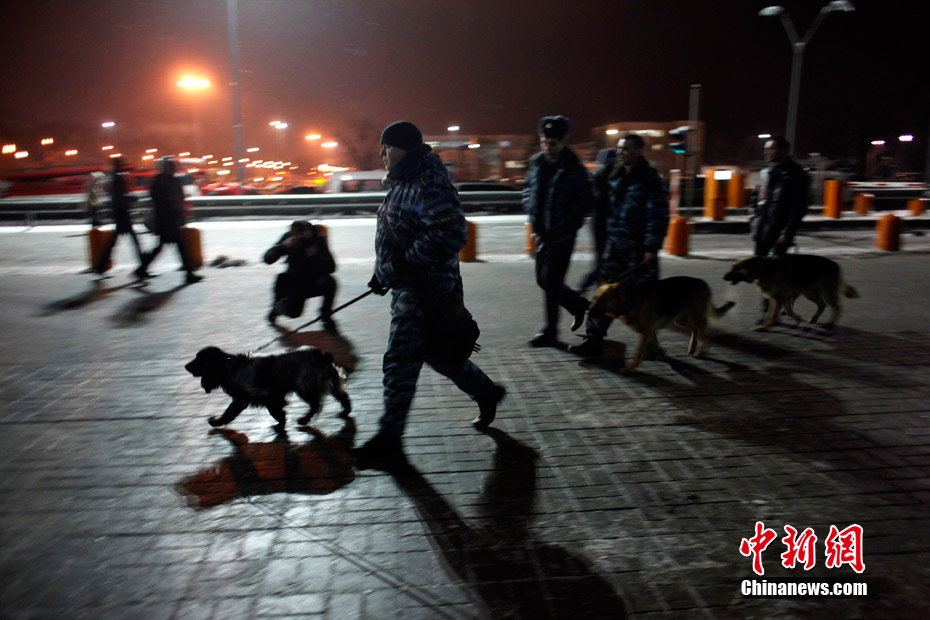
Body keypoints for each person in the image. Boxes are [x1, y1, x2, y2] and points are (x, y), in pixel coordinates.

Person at [354, 120, 505, 467]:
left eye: (387, 146)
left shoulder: (429, 182)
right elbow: (403, 233)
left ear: (405, 148)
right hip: (410, 286)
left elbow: (450, 233)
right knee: (439, 356)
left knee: (399, 362)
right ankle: (486, 392)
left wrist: (406, 264)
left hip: (426, 290)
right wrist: (383, 275)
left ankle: (389, 440)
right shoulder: (405, 181)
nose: (381, 153)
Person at [569, 133, 669, 359]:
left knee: (643, 301)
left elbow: (659, 215)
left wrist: (651, 248)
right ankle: (594, 340)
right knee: (604, 294)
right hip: (614, 247)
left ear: (639, 151)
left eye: (628, 149)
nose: (623, 153)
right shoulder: (614, 175)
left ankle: (651, 344)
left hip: (639, 251)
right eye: (621, 148)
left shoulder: (650, 178)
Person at [521, 115, 592, 348]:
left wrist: (569, 221)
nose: (547, 148)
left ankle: (561, 320)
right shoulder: (538, 163)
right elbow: (528, 190)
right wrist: (532, 213)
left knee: (550, 281)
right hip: (542, 235)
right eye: (544, 141)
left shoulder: (574, 168)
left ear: (564, 142)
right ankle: (567, 315)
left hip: (562, 236)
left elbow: (586, 201)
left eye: (553, 143)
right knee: (545, 282)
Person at [137, 158, 202, 284]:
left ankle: (141, 269)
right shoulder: (161, 181)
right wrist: (174, 210)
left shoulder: (168, 180)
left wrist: (179, 213)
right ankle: (188, 273)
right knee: (180, 246)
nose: (173, 170)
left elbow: (178, 198)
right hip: (166, 219)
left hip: (169, 219)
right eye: (171, 167)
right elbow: (164, 199)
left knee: (164, 247)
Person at [264, 220, 337, 329]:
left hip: (314, 280)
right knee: (293, 313)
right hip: (295, 281)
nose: (301, 239)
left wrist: (316, 256)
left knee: (330, 282)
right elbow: (267, 259)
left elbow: (332, 267)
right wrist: (282, 247)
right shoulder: (289, 239)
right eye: (298, 235)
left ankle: (325, 313)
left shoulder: (317, 240)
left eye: (304, 235)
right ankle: (277, 308)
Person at [748, 136, 810, 257]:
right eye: (765, 149)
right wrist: (753, 220)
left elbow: (798, 207)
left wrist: (787, 232)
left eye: (771, 149)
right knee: (757, 267)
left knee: (776, 270)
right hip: (761, 230)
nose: (765, 152)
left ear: (783, 151)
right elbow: (755, 199)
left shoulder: (797, 174)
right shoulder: (765, 173)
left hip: (779, 231)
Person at [93, 158, 144, 276]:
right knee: (134, 243)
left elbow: (116, 197)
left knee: (114, 244)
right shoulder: (118, 178)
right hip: (122, 215)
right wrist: (131, 198)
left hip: (118, 215)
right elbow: (119, 198)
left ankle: (100, 268)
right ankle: (143, 268)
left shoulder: (111, 178)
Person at [577, 147, 617, 292]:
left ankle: (589, 285)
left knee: (602, 259)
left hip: (598, 220)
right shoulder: (604, 179)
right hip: (602, 221)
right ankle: (589, 285)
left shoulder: (596, 178)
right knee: (604, 261)